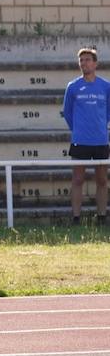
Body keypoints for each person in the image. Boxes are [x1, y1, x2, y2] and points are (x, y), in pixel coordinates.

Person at [62, 47, 110, 224]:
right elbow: (67, 112)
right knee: (77, 180)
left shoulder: (106, 86)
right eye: (81, 60)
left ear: (95, 64)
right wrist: (78, 130)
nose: (84, 63)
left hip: (100, 141)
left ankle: (102, 217)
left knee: (102, 180)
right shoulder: (73, 87)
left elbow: (108, 111)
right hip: (80, 141)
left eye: (88, 60)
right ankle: (76, 218)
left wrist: (100, 126)